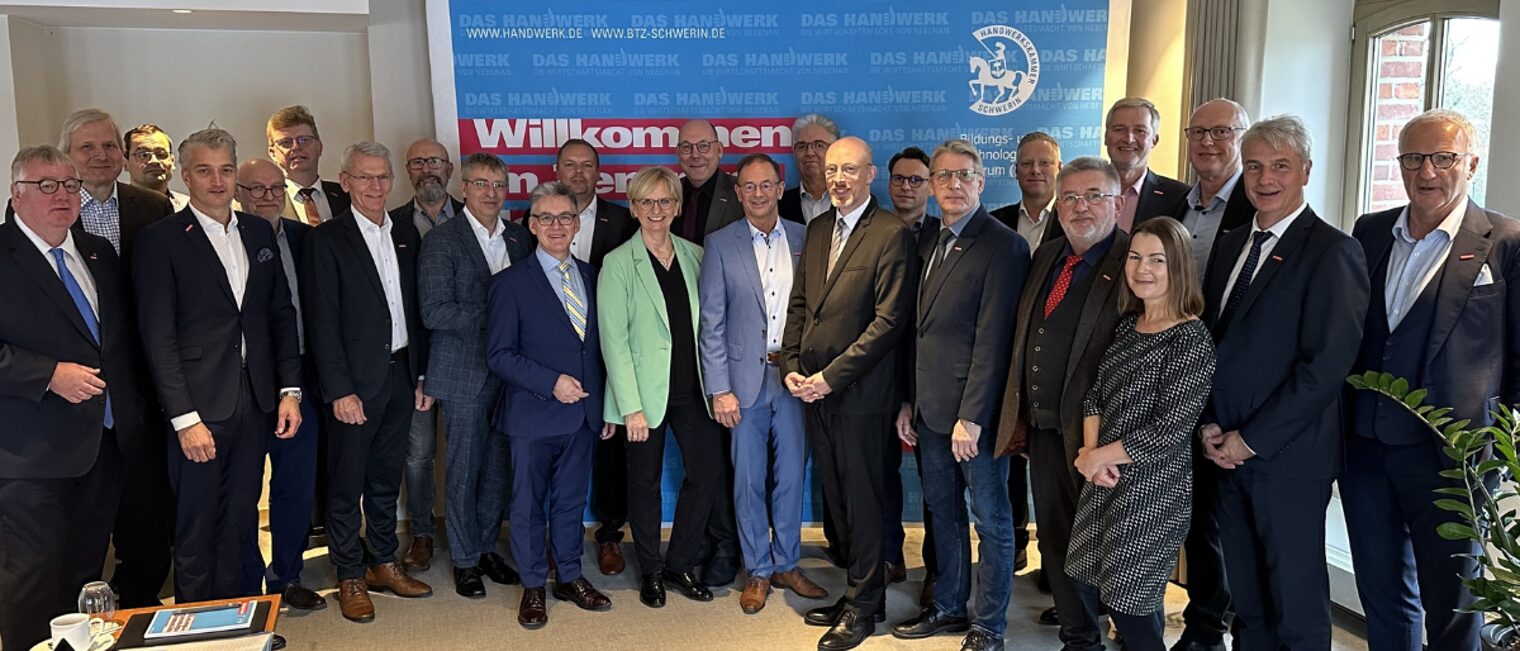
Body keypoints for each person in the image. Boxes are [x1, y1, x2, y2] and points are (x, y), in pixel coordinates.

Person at [1343, 108, 1520, 651]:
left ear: (1471, 163)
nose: (1428, 171)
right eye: (1414, 158)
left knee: (1455, 602)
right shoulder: (1371, 232)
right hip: (1366, 449)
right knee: (1382, 593)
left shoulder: (1506, 241)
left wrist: (1495, 441)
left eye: (1443, 158)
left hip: (1454, 458)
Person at [1199, 115, 1369, 650]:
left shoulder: (1333, 252)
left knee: (1295, 604)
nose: (1264, 178)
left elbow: (1324, 368)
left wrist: (1249, 441)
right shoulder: (1231, 245)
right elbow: (1212, 345)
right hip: (1222, 451)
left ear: (1306, 172)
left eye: (1280, 166)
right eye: (1253, 166)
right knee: (1247, 602)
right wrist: (1209, 425)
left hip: (1288, 459)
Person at [134, 129, 303, 602]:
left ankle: (240, 618)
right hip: (198, 409)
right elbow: (158, 338)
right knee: (196, 522)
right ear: (186, 176)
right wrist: (185, 420)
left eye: (226, 169)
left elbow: (280, 316)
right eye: (205, 171)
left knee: (241, 517)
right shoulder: (161, 240)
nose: (218, 180)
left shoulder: (256, 230)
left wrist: (291, 390)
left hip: (257, 400)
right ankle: (197, 626)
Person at [0, 146, 144, 651]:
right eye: (46, 185)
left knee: (85, 573)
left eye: (68, 184)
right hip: (31, 452)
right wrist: (47, 374)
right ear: (17, 196)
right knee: (33, 577)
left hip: (103, 444)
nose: (61, 194)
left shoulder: (97, 253)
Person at [891, 139, 1028, 651]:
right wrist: (909, 400)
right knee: (941, 512)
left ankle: (988, 624)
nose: (952, 184)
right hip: (929, 410)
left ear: (981, 180)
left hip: (976, 417)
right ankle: (948, 606)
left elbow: (995, 341)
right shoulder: (928, 239)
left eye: (962, 175)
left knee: (991, 521)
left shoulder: (1003, 245)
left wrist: (972, 417)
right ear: (931, 185)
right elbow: (917, 331)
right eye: (942, 176)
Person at [783, 136, 915, 651]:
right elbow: (800, 306)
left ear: (870, 175)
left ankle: (863, 609)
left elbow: (889, 323)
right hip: (812, 392)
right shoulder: (818, 229)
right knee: (837, 499)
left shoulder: (891, 234)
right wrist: (792, 367)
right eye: (832, 169)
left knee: (863, 501)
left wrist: (831, 377)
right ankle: (860, 595)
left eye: (849, 170)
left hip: (861, 394)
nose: (837, 178)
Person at [995, 157, 1132, 650]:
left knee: (1117, 549)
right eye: (1070, 197)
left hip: (1107, 444)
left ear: (1117, 203)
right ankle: (1079, 639)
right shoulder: (1048, 255)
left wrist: (1115, 443)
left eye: (1094, 195)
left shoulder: (1134, 262)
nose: (1081, 207)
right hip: (1047, 434)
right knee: (1057, 543)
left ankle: (1131, 634)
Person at [1067, 217, 1216, 651]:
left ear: (1179, 269)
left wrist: (1098, 459)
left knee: (1131, 602)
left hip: (1153, 491)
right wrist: (1091, 454)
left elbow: (1170, 429)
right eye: (1135, 257)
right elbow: (1095, 395)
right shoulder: (1129, 326)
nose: (1142, 268)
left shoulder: (1190, 339)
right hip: (1105, 478)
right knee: (1093, 581)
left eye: (1157, 260)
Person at [303, 141, 434, 622]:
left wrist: (421, 373)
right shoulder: (327, 240)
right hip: (354, 386)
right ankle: (349, 573)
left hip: (400, 375)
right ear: (346, 181)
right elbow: (323, 323)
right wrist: (339, 390)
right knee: (346, 483)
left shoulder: (404, 232)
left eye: (382, 177)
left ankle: (382, 561)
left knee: (384, 479)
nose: (375, 186)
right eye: (365, 177)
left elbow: (414, 311)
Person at [54, 108, 176, 609]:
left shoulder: (152, 205)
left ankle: (140, 599)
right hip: (75, 386)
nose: (101, 156)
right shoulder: (52, 207)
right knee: (82, 512)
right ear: (68, 157)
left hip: (145, 381)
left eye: (108, 147)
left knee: (147, 507)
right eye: (88, 148)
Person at [698, 153, 830, 614]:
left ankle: (787, 562)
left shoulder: (806, 236)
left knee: (792, 476)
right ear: (738, 193)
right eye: (748, 187)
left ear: (780, 188)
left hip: (793, 379)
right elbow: (710, 323)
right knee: (748, 480)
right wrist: (719, 389)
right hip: (741, 382)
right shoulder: (719, 244)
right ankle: (757, 568)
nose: (757, 193)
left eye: (766, 185)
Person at [485, 181, 615, 629]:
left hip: (583, 415)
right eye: (546, 218)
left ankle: (570, 576)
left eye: (565, 217)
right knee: (528, 505)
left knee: (570, 502)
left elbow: (603, 349)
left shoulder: (596, 276)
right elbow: (498, 355)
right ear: (531, 225)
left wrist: (605, 407)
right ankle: (534, 586)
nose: (556, 226)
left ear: (577, 224)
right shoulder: (509, 284)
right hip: (532, 414)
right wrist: (550, 382)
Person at [600, 165, 730, 605]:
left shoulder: (695, 255)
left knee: (707, 473)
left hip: (693, 391)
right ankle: (651, 571)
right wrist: (629, 407)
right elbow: (613, 341)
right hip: (643, 398)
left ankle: (679, 564)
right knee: (644, 484)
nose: (657, 210)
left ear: (676, 206)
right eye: (646, 202)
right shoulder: (618, 264)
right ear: (634, 208)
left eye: (665, 201)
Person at [419, 153, 533, 599]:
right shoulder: (442, 240)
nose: (491, 193)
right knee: (464, 467)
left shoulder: (521, 239)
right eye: (482, 184)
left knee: (499, 467)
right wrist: (500, 318)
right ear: (463, 188)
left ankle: (486, 546)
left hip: (513, 374)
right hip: (463, 372)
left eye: (499, 185)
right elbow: (434, 311)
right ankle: (464, 559)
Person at [1168, 97, 1254, 651]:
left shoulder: (1261, 203)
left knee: (1234, 522)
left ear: (1242, 137)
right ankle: (1203, 628)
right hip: (1178, 378)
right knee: (1197, 518)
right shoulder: (1178, 204)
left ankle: (1241, 628)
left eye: (1221, 131)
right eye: (1197, 131)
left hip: (1236, 387)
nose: (1207, 142)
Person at [232, 159, 326, 612]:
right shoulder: (229, 239)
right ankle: (249, 578)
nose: (268, 197)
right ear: (238, 192)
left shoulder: (306, 238)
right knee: (245, 485)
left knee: (295, 483)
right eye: (256, 189)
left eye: (275, 189)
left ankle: (286, 574)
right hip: (243, 380)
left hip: (301, 375)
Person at [556, 137, 639, 575]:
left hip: (609, 353)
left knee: (612, 452)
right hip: (554, 359)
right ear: (557, 170)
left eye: (586, 165)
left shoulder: (624, 220)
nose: (578, 173)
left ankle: (610, 535)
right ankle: (558, 537)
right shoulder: (535, 220)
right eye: (570, 165)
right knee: (558, 451)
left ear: (598, 172)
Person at [388, 137, 462, 572]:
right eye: (417, 162)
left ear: (449, 169)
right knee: (417, 455)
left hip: (463, 359)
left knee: (464, 451)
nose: (427, 169)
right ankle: (420, 534)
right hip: (412, 360)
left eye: (434, 161)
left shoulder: (476, 219)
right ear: (407, 171)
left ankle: (464, 531)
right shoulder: (389, 223)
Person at [886, 145, 945, 606]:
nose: (906, 187)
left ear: (930, 186)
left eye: (916, 180)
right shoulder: (876, 231)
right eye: (899, 179)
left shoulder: (945, 236)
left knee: (934, 482)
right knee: (879, 472)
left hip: (927, 377)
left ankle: (938, 571)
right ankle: (888, 556)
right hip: (877, 373)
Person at [1104, 97, 1190, 234]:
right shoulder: (1078, 190)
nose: (1128, 139)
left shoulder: (1179, 198)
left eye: (1140, 131)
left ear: (1154, 141)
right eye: (1119, 129)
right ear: (1106, 137)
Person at [267, 105, 350, 225]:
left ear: (319, 146)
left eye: (304, 140)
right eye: (286, 142)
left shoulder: (347, 195)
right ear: (273, 153)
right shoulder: (267, 201)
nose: (296, 147)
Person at [673, 119, 744, 241]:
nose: (695, 155)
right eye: (686, 147)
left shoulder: (742, 193)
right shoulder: (668, 193)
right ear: (678, 153)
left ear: (719, 150)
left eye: (704, 146)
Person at [991, 131, 1062, 252]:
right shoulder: (994, 223)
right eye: (1027, 163)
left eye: (1045, 163)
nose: (1035, 170)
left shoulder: (1074, 221)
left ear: (1060, 169)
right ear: (1016, 171)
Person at [781, 113, 840, 224]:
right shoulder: (778, 205)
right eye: (802, 146)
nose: (809, 153)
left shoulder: (853, 201)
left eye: (819, 145)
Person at [123, 124, 189, 210]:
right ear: (125, 163)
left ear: (172, 161)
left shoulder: (190, 208)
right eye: (143, 155)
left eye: (161, 154)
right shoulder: (117, 209)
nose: (154, 161)